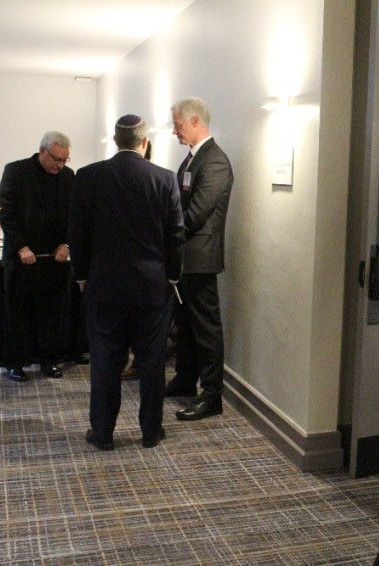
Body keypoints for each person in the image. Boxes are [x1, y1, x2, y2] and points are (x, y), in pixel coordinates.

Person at [68, 114, 184, 450]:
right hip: (151, 288)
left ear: (116, 140)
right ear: (144, 142)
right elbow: (176, 236)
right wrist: (172, 276)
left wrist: (82, 276)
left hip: (103, 287)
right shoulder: (164, 179)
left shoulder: (88, 177)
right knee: (151, 364)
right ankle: (150, 432)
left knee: (105, 363)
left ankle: (102, 433)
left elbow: (77, 232)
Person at [166, 97, 233, 421]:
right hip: (184, 258)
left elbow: (194, 215)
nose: (174, 131)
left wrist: (165, 230)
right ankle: (184, 379)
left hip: (200, 259)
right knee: (185, 324)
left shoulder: (215, 161)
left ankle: (212, 395)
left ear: (195, 122)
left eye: (178, 124)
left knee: (206, 328)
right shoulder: (192, 159)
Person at [0, 131, 74, 381]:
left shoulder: (68, 177)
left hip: (54, 259)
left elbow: (74, 216)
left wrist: (66, 244)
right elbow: (6, 213)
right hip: (22, 257)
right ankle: (15, 362)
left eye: (65, 160)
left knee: (51, 312)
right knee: (18, 313)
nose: (60, 165)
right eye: (56, 159)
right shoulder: (16, 171)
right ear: (42, 152)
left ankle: (48, 359)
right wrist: (21, 247)